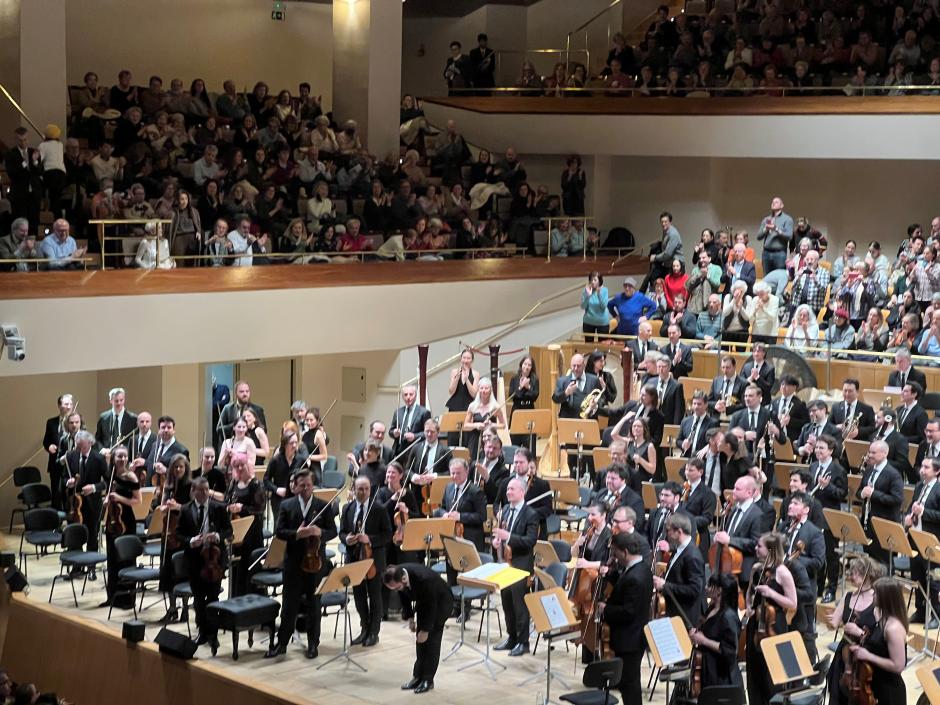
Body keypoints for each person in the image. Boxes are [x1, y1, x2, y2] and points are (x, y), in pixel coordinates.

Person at [264, 468, 336, 659]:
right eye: (301, 485)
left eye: (309, 485)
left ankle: (313, 644)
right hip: (293, 564)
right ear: (295, 487)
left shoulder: (323, 505)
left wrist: (320, 533)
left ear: (313, 486)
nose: (305, 489)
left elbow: (333, 531)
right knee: (289, 606)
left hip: (316, 564)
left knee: (314, 605)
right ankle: (282, 644)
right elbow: (279, 532)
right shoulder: (287, 505)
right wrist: (297, 534)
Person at [175, 476, 232, 653]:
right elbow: (178, 535)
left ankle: (213, 634)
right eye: (201, 490)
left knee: (213, 598)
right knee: (199, 600)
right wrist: (191, 541)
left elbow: (229, 530)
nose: (205, 493)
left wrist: (217, 536)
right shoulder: (185, 510)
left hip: (214, 561)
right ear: (193, 491)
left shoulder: (219, 508)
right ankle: (202, 631)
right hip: (195, 562)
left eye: (207, 489)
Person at [385, 563, 454, 694]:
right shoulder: (398, 576)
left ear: (404, 579)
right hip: (424, 603)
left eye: (397, 587)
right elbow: (403, 597)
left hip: (441, 604)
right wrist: (410, 618)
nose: (396, 590)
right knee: (420, 641)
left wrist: (426, 630)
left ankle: (428, 680)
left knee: (432, 641)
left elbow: (432, 605)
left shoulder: (424, 579)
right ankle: (417, 677)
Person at [599, 531, 653, 702]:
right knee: (628, 683)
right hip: (632, 637)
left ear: (625, 552)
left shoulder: (636, 577)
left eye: (615, 552)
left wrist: (605, 609)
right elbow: (624, 586)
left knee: (629, 685)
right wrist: (610, 574)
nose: (614, 556)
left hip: (630, 639)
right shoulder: (640, 568)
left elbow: (629, 611)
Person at [340, 476, 392, 647]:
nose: (363, 492)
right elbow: (342, 532)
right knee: (359, 596)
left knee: (375, 597)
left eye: (366, 489)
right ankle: (364, 628)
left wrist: (369, 538)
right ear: (354, 490)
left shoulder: (379, 509)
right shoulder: (348, 508)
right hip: (354, 558)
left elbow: (387, 535)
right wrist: (346, 539)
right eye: (360, 489)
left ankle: (374, 632)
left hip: (373, 560)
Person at [826, 555, 885, 705]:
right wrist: (831, 622)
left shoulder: (877, 599)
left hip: (865, 659)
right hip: (844, 656)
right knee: (837, 695)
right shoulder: (847, 596)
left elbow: (881, 634)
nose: (850, 577)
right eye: (850, 573)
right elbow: (834, 623)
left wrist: (858, 631)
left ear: (867, 574)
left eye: (854, 573)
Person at [492, 476, 540, 656]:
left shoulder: (531, 514)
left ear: (522, 492)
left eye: (512, 489)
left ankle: (523, 641)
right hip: (505, 561)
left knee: (519, 605)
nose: (508, 492)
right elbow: (500, 534)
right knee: (506, 602)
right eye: (507, 489)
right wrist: (497, 542)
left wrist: (508, 537)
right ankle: (511, 637)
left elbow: (530, 541)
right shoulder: (504, 509)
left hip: (521, 564)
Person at [848, 577, 908, 704]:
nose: (873, 596)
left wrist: (868, 655)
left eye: (875, 593)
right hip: (875, 684)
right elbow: (881, 646)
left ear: (885, 598)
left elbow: (898, 666)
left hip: (889, 692)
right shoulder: (881, 617)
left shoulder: (893, 628)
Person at [688, 573, 744, 691]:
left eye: (710, 585)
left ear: (719, 590)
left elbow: (730, 650)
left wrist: (703, 640)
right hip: (708, 671)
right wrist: (696, 633)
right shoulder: (711, 609)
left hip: (722, 678)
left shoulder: (729, 616)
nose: (706, 588)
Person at [101, 445, 141, 609]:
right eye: (119, 456)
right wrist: (107, 500)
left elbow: (137, 501)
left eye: (125, 456)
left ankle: (127, 600)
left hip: (126, 521)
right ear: (114, 458)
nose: (122, 459)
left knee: (125, 559)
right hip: (112, 520)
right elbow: (107, 493)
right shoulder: (110, 475)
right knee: (112, 560)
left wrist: (118, 498)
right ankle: (112, 597)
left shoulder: (131, 477)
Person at [155, 453, 192, 623]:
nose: (178, 470)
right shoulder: (168, 486)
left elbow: (193, 509)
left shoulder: (191, 486)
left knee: (182, 572)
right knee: (168, 571)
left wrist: (178, 506)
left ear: (186, 468)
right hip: (168, 534)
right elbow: (162, 505)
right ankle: (172, 609)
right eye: (175, 467)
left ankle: (184, 609)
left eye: (181, 467)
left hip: (182, 534)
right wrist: (163, 507)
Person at [903, 458, 940, 626]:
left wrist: (924, 512)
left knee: (933, 580)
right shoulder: (919, 486)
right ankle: (920, 610)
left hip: (932, 541)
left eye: (926, 467)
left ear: (937, 471)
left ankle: (936, 615)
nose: (922, 470)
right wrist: (908, 517)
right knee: (917, 577)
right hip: (915, 538)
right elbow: (912, 506)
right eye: (922, 467)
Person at [225, 454, 265, 598]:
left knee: (249, 567)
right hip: (238, 533)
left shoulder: (256, 484)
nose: (240, 468)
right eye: (237, 466)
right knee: (238, 568)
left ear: (249, 465)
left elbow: (259, 510)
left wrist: (242, 508)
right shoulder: (234, 483)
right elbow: (226, 501)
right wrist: (230, 507)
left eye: (242, 465)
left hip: (252, 533)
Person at [858, 440, 904, 565]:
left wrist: (874, 494)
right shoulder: (868, 470)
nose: (870, 455)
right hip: (867, 523)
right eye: (869, 452)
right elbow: (859, 492)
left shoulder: (894, 475)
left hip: (884, 525)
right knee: (870, 561)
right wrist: (862, 494)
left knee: (884, 563)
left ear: (885, 453)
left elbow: (897, 499)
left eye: (873, 452)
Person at [64, 430, 106, 560]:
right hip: (74, 504)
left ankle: (91, 565)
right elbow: (64, 477)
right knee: (74, 534)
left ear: (90, 443)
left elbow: (107, 482)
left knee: (92, 535)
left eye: (83, 446)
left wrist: (94, 487)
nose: (80, 449)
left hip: (92, 503)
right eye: (78, 446)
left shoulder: (98, 458)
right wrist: (68, 482)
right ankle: (76, 566)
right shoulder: (71, 456)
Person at [43, 394, 74, 511]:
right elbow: (46, 441)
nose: (69, 407)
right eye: (66, 404)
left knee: (69, 494)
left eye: (71, 404)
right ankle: (56, 523)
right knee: (56, 494)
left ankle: (70, 521)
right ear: (59, 405)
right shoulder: (51, 422)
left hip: (71, 465)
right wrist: (49, 446)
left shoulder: (75, 422)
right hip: (55, 463)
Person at [640, 211, 685, 294]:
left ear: (670, 222)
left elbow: (668, 254)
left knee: (671, 288)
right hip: (667, 263)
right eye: (662, 222)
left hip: (676, 264)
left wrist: (655, 257)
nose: (663, 224)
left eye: (666, 222)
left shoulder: (673, 234)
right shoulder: (666, 231)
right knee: (651, 277)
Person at [444, 349, 480, 447]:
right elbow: (451, 391)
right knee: (453, 437)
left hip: (469, 408)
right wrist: (457, 378)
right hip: (455, 407)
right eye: (464, 358)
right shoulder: (454, 371)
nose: (466, 360)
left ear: (472, 360)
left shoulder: (476, 374)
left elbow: (474, 394)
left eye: (468, 358)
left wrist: (467, 380)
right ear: (461, 359)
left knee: (467, 438)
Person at [389, 384, 431, 457]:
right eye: (405, 395)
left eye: (411, 394)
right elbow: (391, 431)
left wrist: (415, 436)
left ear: (415, 395)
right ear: (402, 397)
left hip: (415, 451)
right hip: (398, 451)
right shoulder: (398, 412)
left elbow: (428, 432)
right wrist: (394, 433)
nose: (408, 397)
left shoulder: (424, 412)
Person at [508, 356, 540, 447]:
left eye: (529, 365)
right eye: (525, 364)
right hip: (517, 410)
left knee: (529, 442)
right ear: (521, 365)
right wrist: (521, 387)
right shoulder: (514, 378)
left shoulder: (535, 379)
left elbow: (534, 396)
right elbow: (513, 396)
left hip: (529, 409)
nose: (527, 367)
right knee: (514, 441)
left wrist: (528, 387)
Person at [757, 196, 794, 273]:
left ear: (782, 205)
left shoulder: (787, 219)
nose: (773, 203)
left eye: (776, 202)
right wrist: (766, 229)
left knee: (779, 277)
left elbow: (789, 236)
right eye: (772, 202)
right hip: (766, 253)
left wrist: (776, 229)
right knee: (766, 278)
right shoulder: (766, 219)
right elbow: (758, 236)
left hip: (779, 253)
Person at [581, 271, 610, 341]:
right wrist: (588, 295)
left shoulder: (604, 290)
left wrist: (599, 294)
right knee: (588, 346)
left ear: (599, 281)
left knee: (603, 347)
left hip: (602, 322)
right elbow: (583, 306)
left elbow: (603, 306)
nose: (593, 282)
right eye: (591, 280)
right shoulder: (586, 290)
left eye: (595, 280)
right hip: (588, 322)